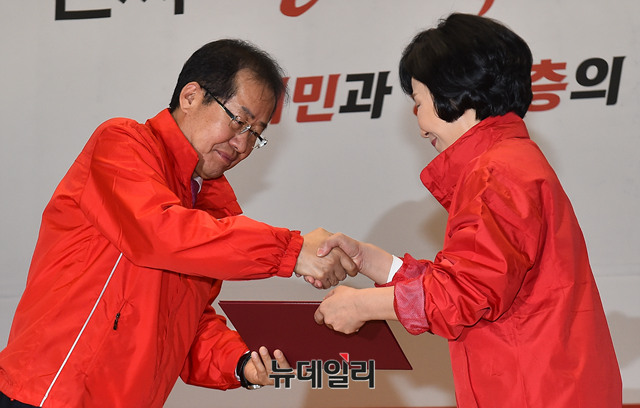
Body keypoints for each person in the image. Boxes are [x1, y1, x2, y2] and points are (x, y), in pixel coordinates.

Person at [0, 39, 356, 408]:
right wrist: (291, 251)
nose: (242, 144)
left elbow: (184, 324)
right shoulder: (122, 144)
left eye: (255, 134)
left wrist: (241, 363)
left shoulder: (214, 210)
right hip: (49, 395)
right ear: (190, 97)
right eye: (239, 121)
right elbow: (160, 232)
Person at [313, 13, 622, 407]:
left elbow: (463, 294)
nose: (420, 124)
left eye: (419, 103)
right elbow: (473, 280)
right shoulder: (511, 161)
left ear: (454, 94)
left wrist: (361, 305)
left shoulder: (495, 172)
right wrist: (371, 261)